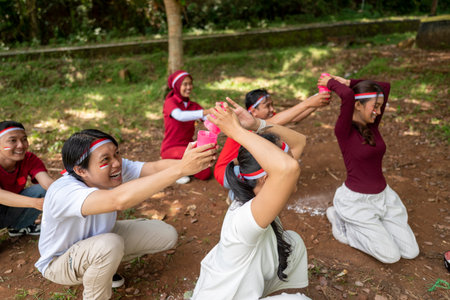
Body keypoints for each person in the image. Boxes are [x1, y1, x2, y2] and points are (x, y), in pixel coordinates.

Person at [35, 129, 216, 300]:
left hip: (96, 242)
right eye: (105, 159)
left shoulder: (110, 170)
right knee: (108, 245)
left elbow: (153, 168)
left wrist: (192, 162)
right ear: (80, 171)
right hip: (59, 263)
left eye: (117, 153)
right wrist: (181, 170)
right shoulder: (64, 191)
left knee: (166, 235)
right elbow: (118, 200)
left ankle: (102, 267)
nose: (116, 163)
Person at [192, 100, 311, 299]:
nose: (295, 162)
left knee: (293, 243)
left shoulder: (257, 194)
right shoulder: (244, 218)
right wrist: (235, 131)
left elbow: (300, 142)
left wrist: (256, 124)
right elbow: (288, 169)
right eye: (288, 158)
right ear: (266, 178)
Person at [317, 74, 419, 264]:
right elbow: (347, 96)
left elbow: (385, 86)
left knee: (410, 252)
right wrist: (331, 83)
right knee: (391, 256)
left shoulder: (373, 126)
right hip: (357, 202)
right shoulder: (344, 131)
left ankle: (375, 227)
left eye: (380, 107)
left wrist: (349, 82)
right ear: (358, 105)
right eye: (375, 106)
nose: (379, 112)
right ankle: (341, 222)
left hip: (384, 198)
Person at [214, 89, 329, 189]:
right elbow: (274, 122)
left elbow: (294, 117)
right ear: (253, 112)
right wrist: (308, 103)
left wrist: (316, 104)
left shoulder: (265, 120)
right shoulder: (246, 124)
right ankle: (237, 195)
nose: (272, 109)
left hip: (244, 166)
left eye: (272, 104)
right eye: (267, 106)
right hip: (226, 173)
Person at [161, 70, 215, 184]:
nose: (189, 87)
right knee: (199, 166)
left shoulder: (193, 105)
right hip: (171, 148)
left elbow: (208, 118)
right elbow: (180, 116)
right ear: (177, 85)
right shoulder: (170, 102)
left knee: (205, 174)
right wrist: (205, 112)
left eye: (190, 83)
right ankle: (171, 166)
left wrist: (219, 113)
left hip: (188, 147)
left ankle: (179, 166)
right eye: (184, 84)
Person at [0, 121, 54, 237]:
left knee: (43, 190)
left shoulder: (28, 159)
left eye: (24, 139)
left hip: (9, 208)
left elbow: (47, 183)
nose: (21, 145)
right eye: (13, 140)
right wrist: (34, 203)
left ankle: (19, 226)